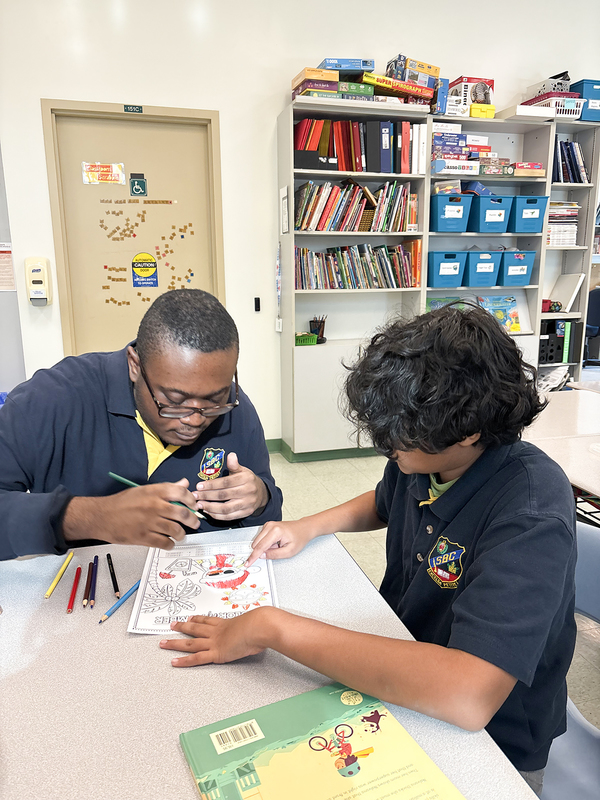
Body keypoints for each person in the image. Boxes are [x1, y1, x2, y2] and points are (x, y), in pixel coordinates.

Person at [161, 304, 576, 797]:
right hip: (401, 677)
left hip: (492, 744)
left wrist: (272, 627)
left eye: (397, 441)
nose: (389, 451)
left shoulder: (529, 514)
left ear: (466, 431)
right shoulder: (428, 459)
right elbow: (383, 503)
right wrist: (309, 525)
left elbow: (469, 695)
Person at [0, 289, 282, 561]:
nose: (195, 419)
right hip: (88, 590)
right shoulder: (55, 398)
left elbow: (270, 513)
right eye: (174, 400)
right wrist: (90, 517)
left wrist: (259, 498)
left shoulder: (234, 407)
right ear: (135, 365)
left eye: (214, 400)